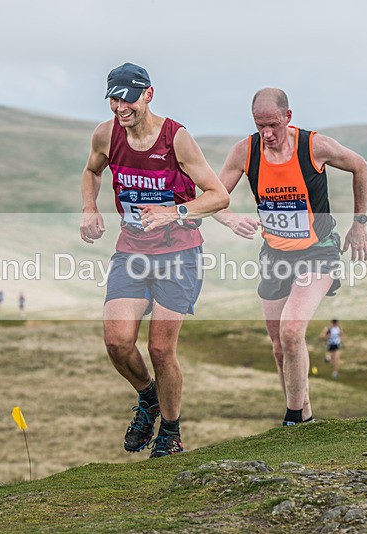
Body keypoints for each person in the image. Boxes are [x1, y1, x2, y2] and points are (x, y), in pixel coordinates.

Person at [79, 63, 229, 457]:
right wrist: (89, 207)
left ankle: (171, 433)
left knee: (161, 350)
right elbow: (92, 170)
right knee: (117, 341)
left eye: (127, 98)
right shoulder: (105, 134)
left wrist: (175, 213)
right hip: (131, 251)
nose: (119, 108)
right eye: (113, 99)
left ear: (148, 94)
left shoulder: (175, 139)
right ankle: (148, 399)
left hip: (179, 254)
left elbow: (218, 195)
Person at [214, 88, 367, 426]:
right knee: (278, 345)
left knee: (291, 331)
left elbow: (360, 166)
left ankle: (293, 419)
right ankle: (306, 415)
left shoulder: (314, 146)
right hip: (275, 254)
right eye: (259, 126)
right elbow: (212, 196)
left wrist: (359, 224)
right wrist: (230, 218)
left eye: (273, 125)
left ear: (288, 117)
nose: (267, 134)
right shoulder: (245, 152)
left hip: (318, 251)